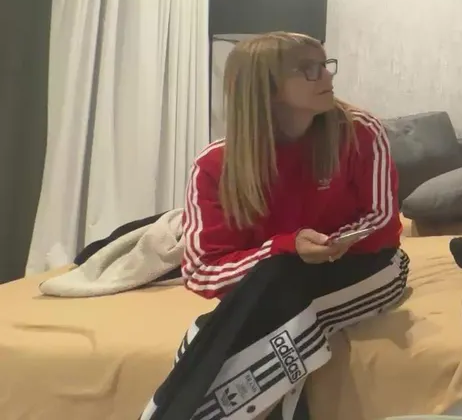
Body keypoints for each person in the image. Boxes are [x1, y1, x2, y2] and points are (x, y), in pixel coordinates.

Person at [142, 32, 407, 420]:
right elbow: (201, 271)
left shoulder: (360, 131)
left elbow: (382, 219)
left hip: (370, 266)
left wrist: (328, 245)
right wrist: (286, 247)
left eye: (325, 65)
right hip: (271, 281)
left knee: (229, 323)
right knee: (279, 278)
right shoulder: (215, 165)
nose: (326, 76)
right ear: (265, 86)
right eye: (308, 69)